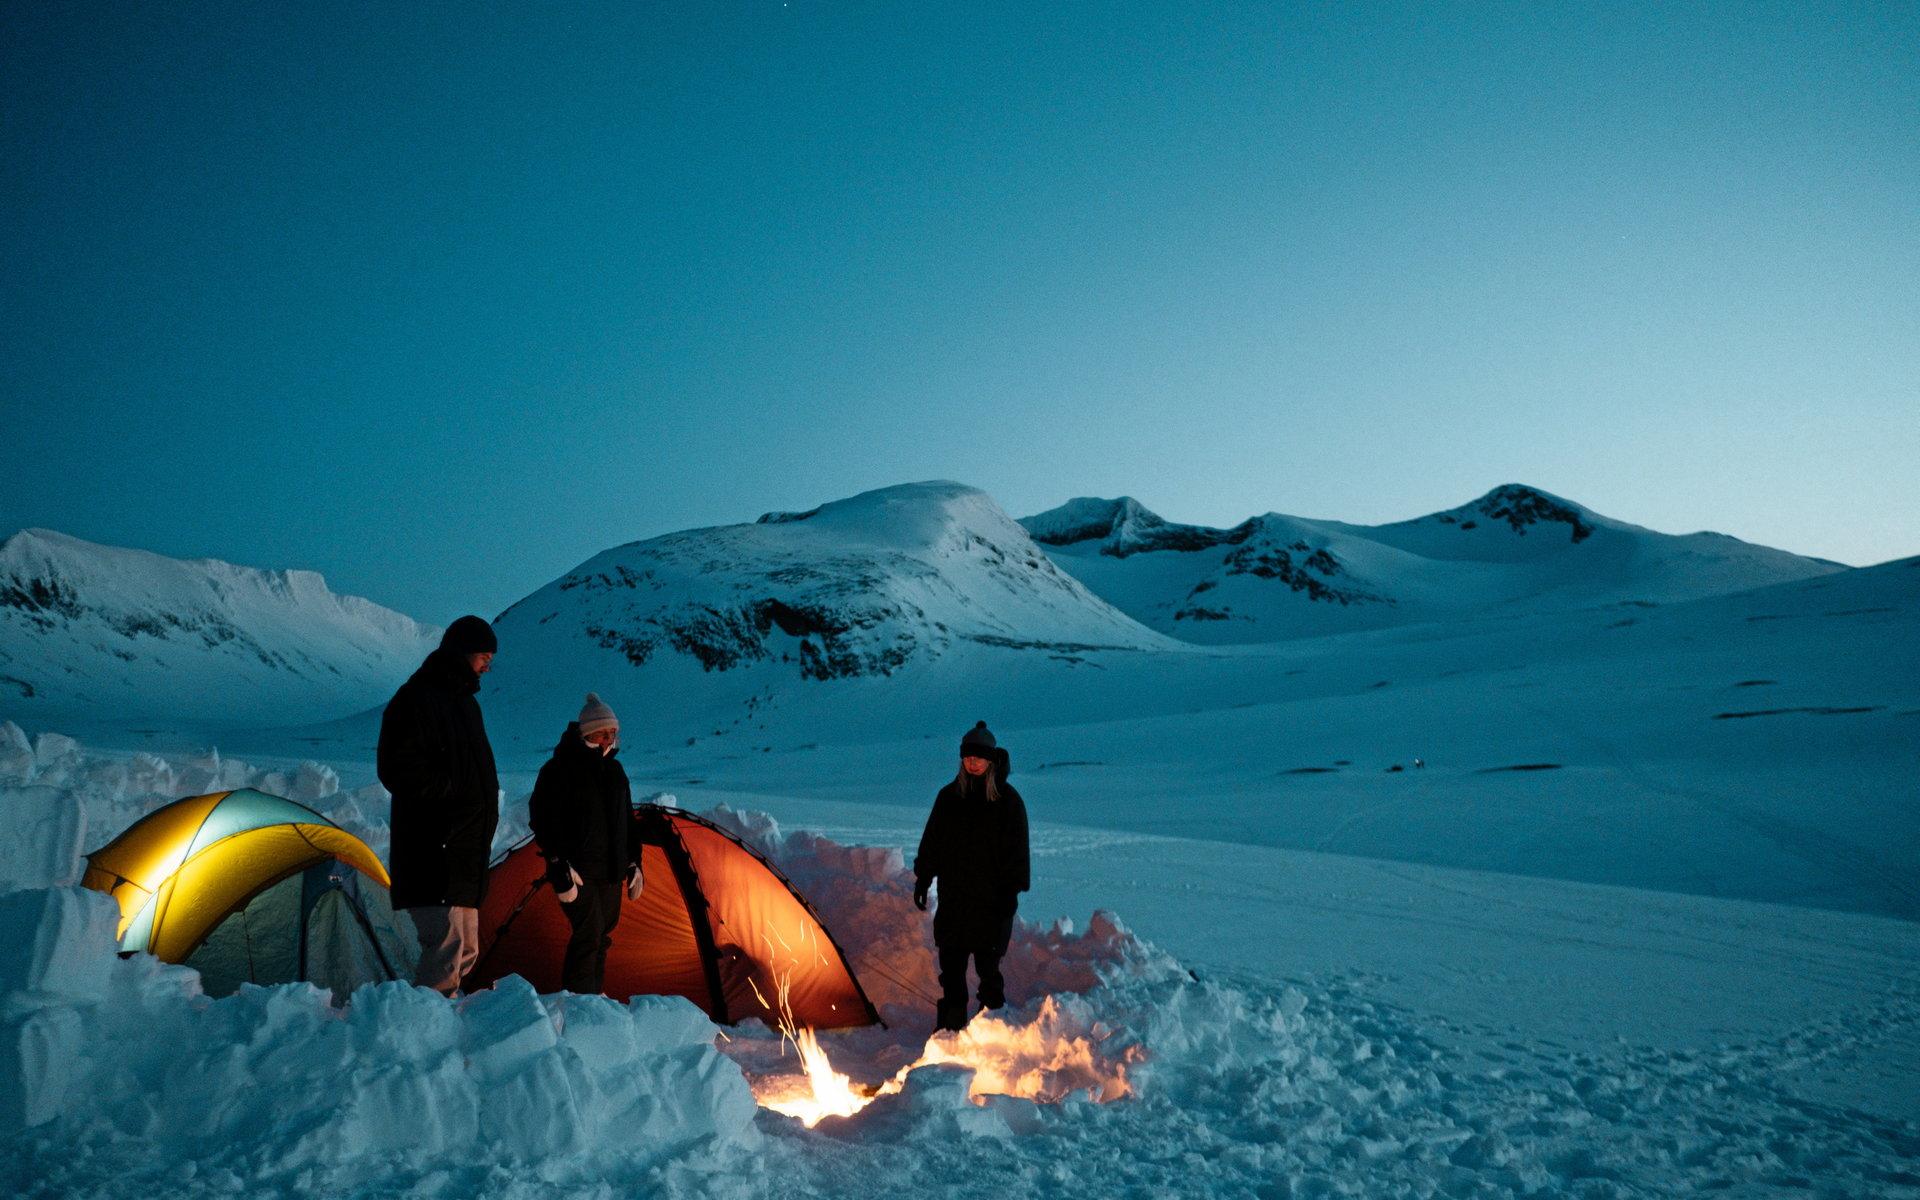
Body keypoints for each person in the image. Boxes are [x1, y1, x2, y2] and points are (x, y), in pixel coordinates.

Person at [377, 615, 502, 996]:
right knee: (445, 951)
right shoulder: (417, 698)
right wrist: (450, 793)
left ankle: (447, 1028)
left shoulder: (465, 704)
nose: (487, 666)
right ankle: (425, 1035)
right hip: (433, 849)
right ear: (463, 652)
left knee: (466, 952)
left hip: (463, 853)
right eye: (483, 657)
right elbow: (396, 767)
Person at [912, 720, 1030, 1032]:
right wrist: (923, 878)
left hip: (992, 904)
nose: (972, 762)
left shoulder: (1008, 802)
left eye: (978, 757)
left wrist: (1010, 894)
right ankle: (950, 1032)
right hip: (955, 900)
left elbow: (1018, 853)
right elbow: (933, 842)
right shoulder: (949, 797)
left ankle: (992, 1035)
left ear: (991, 759)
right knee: (951, 968)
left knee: (988, 971)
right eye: (967, 757)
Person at [528, 693, 644, 995]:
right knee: (588, 934)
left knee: (602, 935)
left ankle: (592, 1000)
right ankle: (579, 1005)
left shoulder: (615, 772)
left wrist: (634, 862)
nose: (609, 738)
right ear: (587, 732)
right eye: (604, 732)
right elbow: (542, 819)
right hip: (577, 871)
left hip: (611, 871)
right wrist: (557, 864)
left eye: (613, 733)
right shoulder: (559, 769)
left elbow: (627, 823)